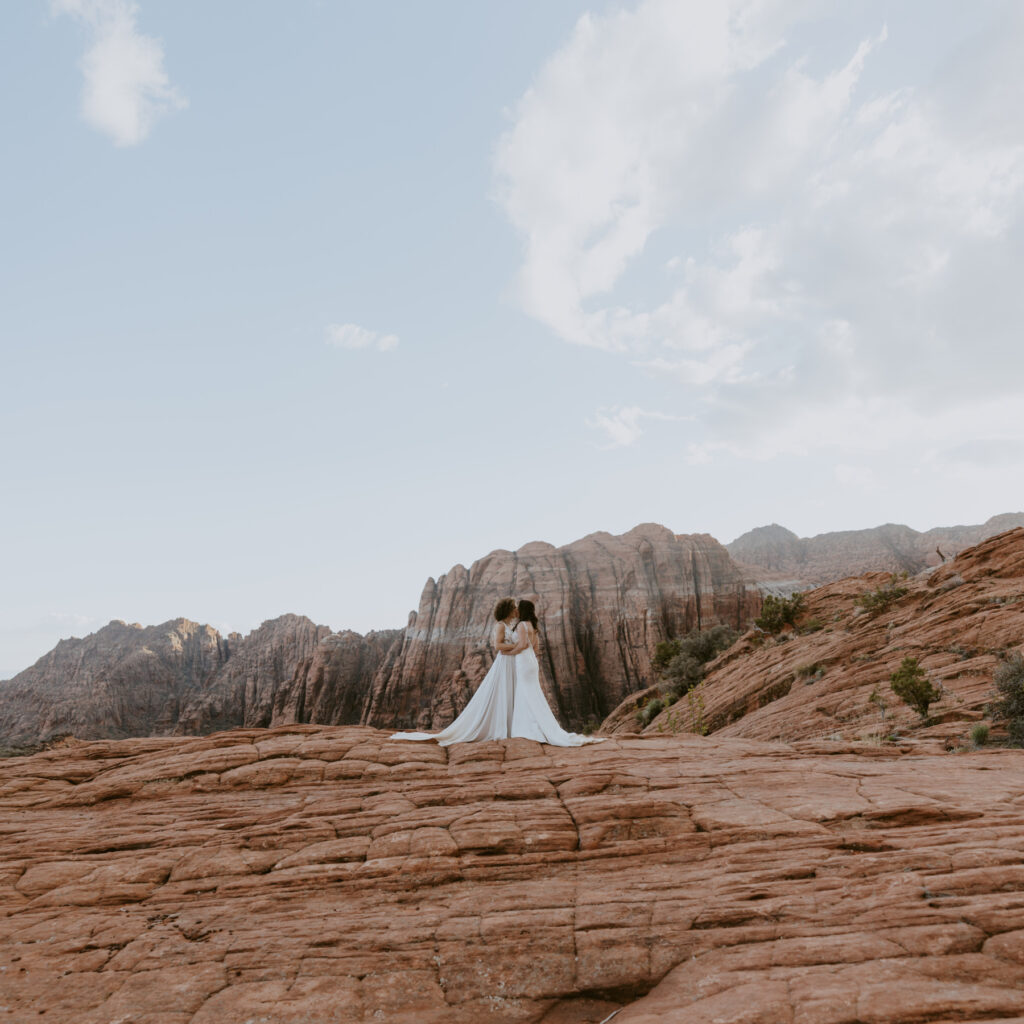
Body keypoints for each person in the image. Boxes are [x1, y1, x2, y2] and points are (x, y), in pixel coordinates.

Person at [390, 598, 520, 745]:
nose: (516, 609)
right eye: (514, 607)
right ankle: (500, 728)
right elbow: (498, 646)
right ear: (508, 609)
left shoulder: (509, 626)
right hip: (504, 663)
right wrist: (517, 646)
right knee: (503, 693)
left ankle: (508, 727)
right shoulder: (501, 625)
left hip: (510, 662)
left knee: (508, 692)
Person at [505, 599, 603, 746]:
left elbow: (523, 644)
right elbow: (536, 648)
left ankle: (528, 728)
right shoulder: (532, 625)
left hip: (523, 661)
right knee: (532, 692)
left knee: (525, 692)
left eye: (518, 608)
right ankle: (535, 726)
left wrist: (509, 653)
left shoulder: (521, 625)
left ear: (522, 610)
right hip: (531, 660)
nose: (516, 611)